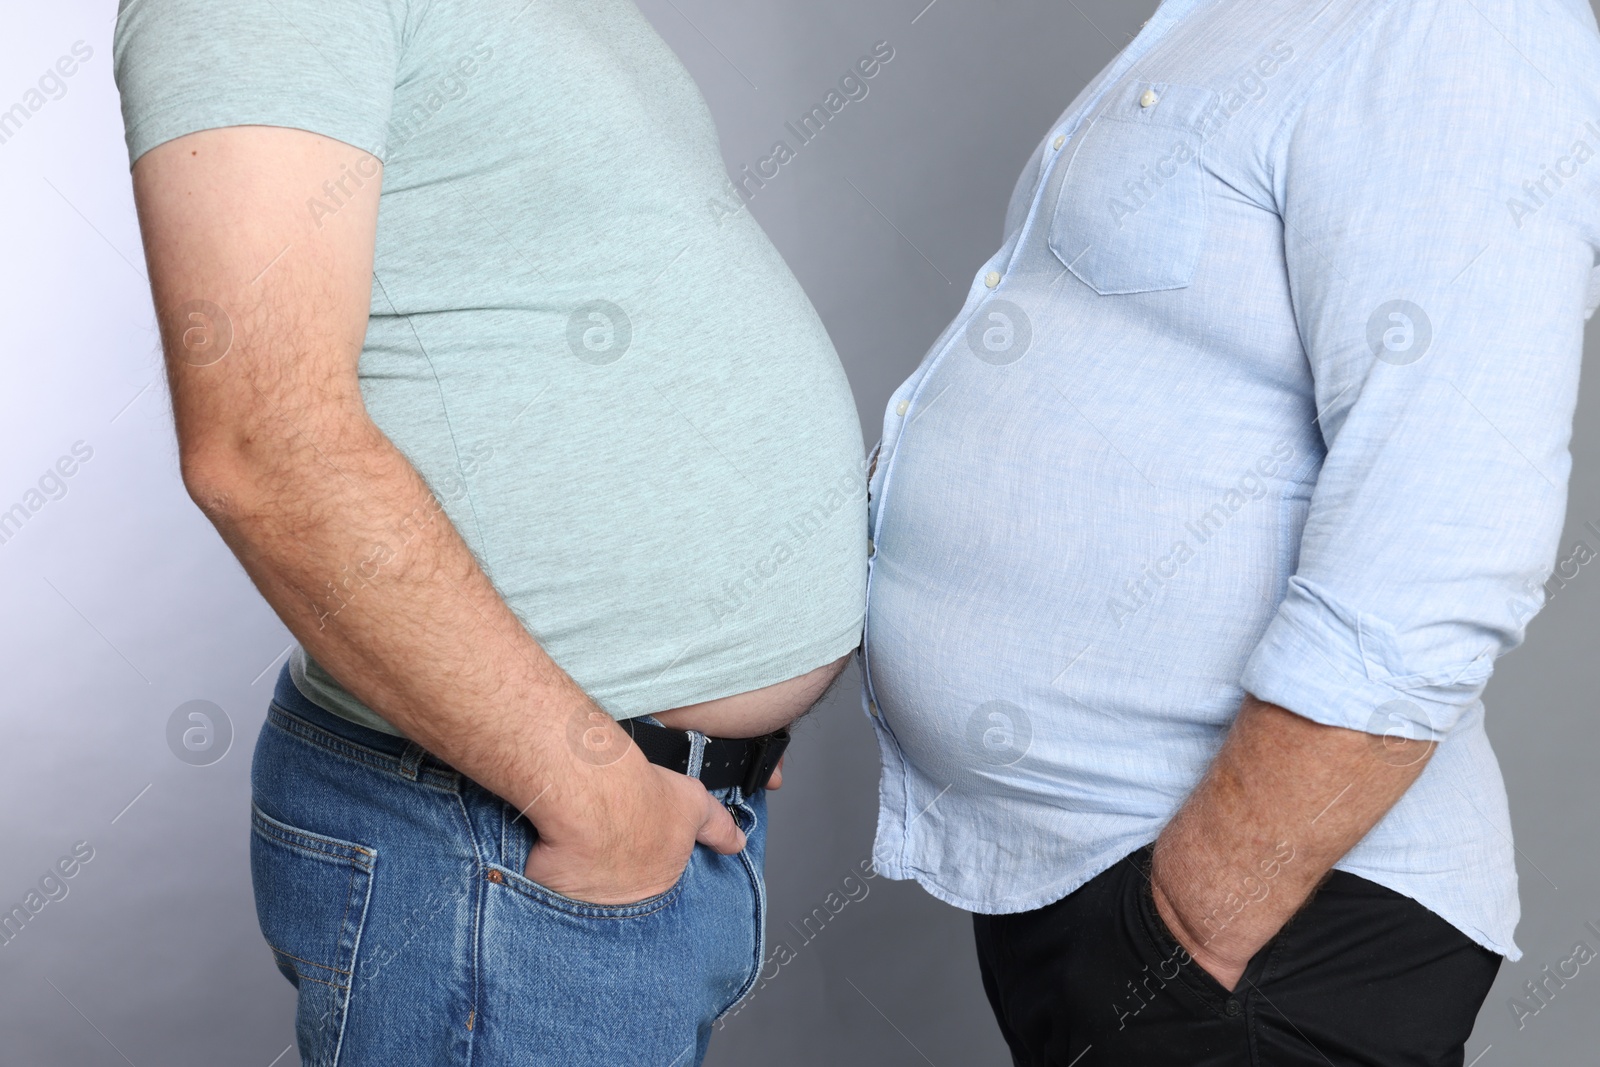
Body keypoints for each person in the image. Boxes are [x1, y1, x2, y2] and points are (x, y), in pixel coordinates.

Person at [112, 1, 867, 1064]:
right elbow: (261, 446)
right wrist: (591, 787)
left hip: (639, 803)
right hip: (500, 829)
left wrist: (711, 695)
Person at [861, 0, 1600, 1062]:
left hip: (1251, 923)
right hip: (1100, 890)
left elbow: (1446, 527)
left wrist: (1199, 911)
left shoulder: (1456, 26)